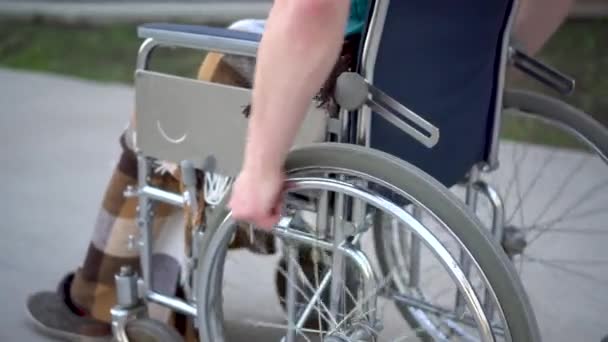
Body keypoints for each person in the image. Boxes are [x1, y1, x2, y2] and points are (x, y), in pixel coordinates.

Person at [26, 0, 575, 340]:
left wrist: (262, 168)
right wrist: (476, 75)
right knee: (255, 59)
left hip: (352, 91)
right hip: (433, 113)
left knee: (165, 113)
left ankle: (103, 301)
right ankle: (312, 273)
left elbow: (312, 10)